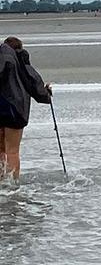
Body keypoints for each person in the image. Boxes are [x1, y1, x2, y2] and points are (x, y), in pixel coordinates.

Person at [0, 37, 52, 180]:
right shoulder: (22, 63)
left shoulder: (2, 59)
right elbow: (35, 86)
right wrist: (47, 94)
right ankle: (13, 183)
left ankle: (1, 180)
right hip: (15, 110)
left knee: (0, 150)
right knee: (12, 150)